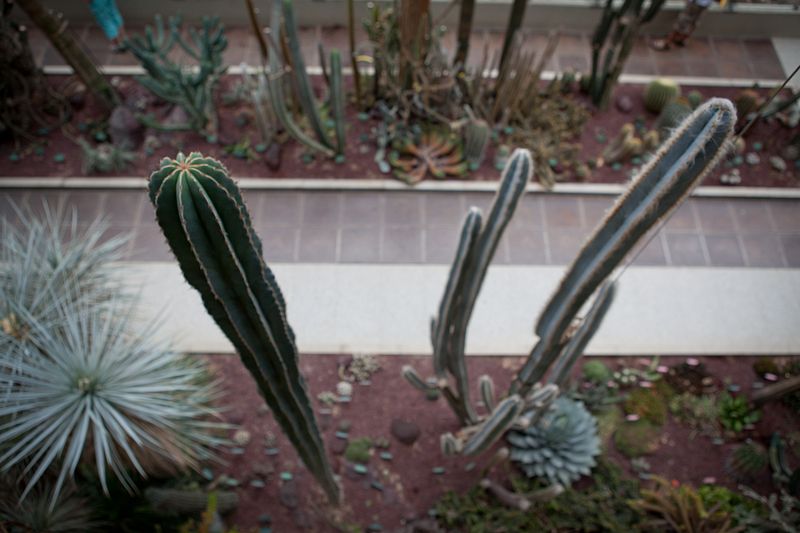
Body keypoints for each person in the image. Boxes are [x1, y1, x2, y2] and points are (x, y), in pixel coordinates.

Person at [650, 0, 725, 51]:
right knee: (694, 20)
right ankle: (681, 39)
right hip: (705, 3)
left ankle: (666, 43)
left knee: (683, 21)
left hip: (696, 2)